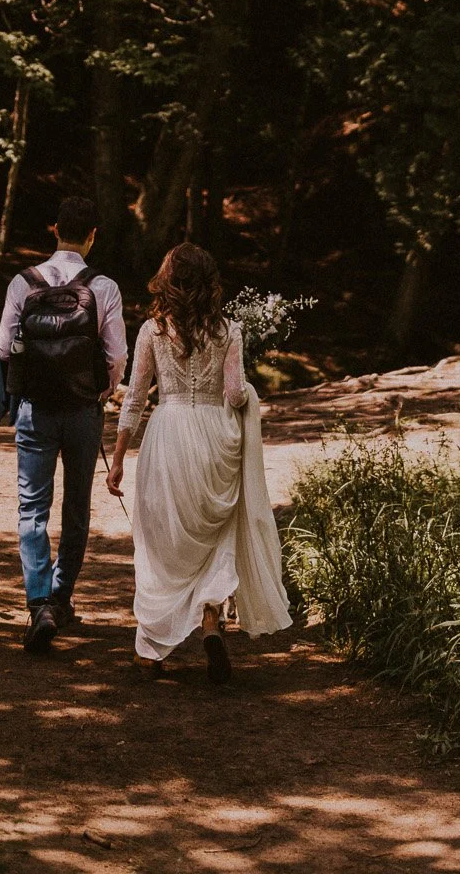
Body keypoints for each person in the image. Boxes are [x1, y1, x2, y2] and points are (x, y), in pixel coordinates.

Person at [106, 242, 291, 682]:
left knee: (161, 541)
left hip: (168, 433)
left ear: (168, 282)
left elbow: (134, 399)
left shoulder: (153, 330)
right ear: (210, 283)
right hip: (215, 439)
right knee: (216, 534)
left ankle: (151, 651)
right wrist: (248, 396)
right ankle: (211, 618)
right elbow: (234, 394)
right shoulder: (229, 330)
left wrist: (117, 459)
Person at [0, 194, 127, 655]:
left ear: (55, 230)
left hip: (34, 409)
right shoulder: (104, 287)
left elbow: (3, 349)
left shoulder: (23, 283)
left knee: (32, 507)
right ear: (92, 236)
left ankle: (37, 605)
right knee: (76, 507)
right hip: (82, 412)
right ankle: (60, 597)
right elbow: (117, 357)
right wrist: (102, 391)